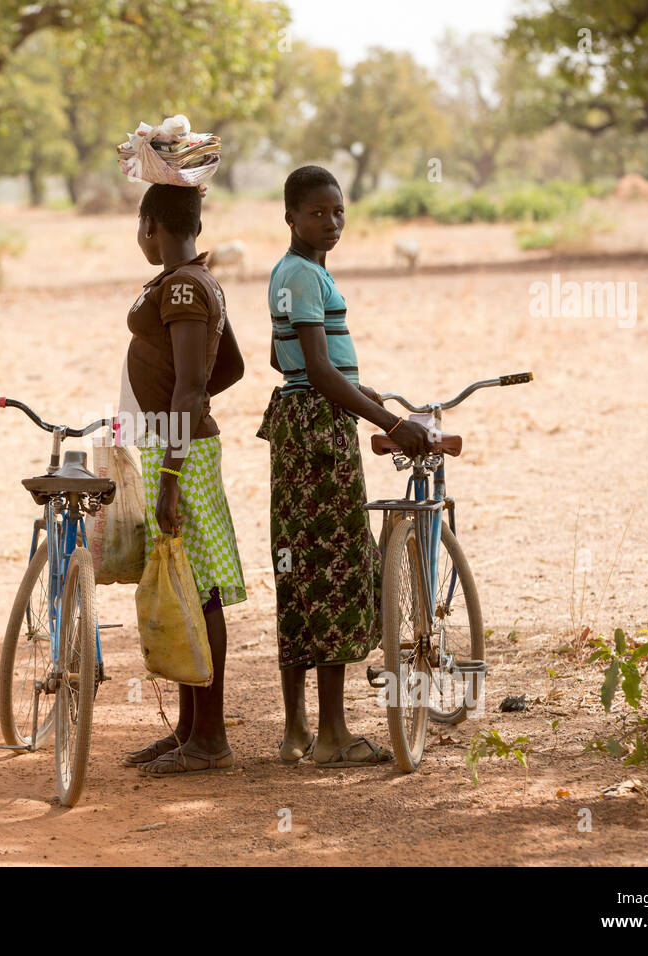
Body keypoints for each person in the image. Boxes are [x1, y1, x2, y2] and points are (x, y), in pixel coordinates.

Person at [256, 166, 432, 767]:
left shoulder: (291, 273)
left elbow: (287, 361)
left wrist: (359, 391)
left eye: (338, 212)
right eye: (317, 213)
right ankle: (333, 736)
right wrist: (389, 423)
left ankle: (297, 730)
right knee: (332, 570)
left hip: (298, 423)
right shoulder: (305, 274)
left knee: (299, 568)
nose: (330, 223)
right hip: (321, 435)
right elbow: (320, 371)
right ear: (290, 218)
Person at [119, 183, 248, 776]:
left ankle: (210, 739)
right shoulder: (197, 279)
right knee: (187, 586)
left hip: (182, 456)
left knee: (201, 594)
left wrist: (171, 465)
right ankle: (191, 731)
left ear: (151, 225)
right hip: (178, 442)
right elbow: (231, 366)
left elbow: (195, 383)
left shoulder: (181, 285)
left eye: (140, 226)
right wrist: (182, 402)